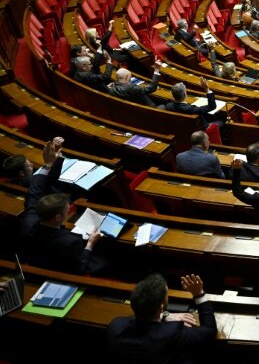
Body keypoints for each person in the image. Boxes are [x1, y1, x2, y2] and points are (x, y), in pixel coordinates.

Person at [19, 137, 109, 275]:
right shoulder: (70, 242)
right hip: (61, 269)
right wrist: (90, 243)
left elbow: (35, 193)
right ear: (58, 217)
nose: (69, 209)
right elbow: (79, 268)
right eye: (67, 209)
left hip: (38, 259)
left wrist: (48, 164)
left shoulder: (28, 221)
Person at [106, 273, 216, 364]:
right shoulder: (173, 332)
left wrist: (164, 315)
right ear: (161, 307)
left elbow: (135, 317)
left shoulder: (115, 327)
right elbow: (209, 331)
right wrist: (199, 294)